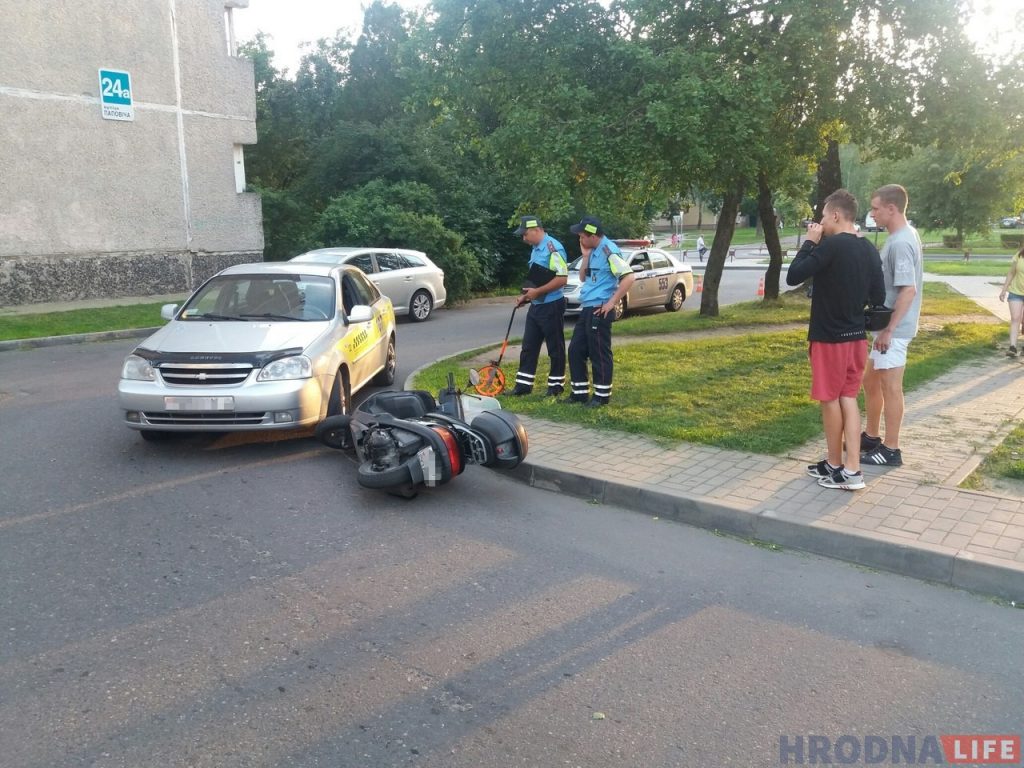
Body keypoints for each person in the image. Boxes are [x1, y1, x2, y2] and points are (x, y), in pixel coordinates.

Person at [786, 189, 884, 490]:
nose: (821, 223)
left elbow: (794, 275)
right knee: (848, 399)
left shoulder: (829, 247)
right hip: (856, 339)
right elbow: (878, 297)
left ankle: (843, 466)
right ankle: (844, 467)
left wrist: (809, 243)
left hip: (829, 339)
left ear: (836, 215)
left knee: (830, 400)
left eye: (824, 217)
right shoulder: (868, 248)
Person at [860, 184, 924, 468]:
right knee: (870, 380)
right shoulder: (901, 235)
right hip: (887, 328)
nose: (871, 214)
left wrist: (888, 330)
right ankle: (872, 437)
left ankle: (891, 449)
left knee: (890, 386)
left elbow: (907, 290)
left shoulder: (900, 242)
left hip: (893, 331)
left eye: (875, 208)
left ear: (891, 208)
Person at [565, 215, 635, 407]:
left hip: (600, 308)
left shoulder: (608, 251)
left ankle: (601, 396)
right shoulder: (593, 251)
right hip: (588, 307)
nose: (579, 239)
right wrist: (585, 257)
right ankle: (579, 394)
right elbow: (582, 278)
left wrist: (612, 302)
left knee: (599, 353)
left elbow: (629, 277)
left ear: (592, 235)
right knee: (575, 350)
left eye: (581, 235)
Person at [509, 215, 569, 396]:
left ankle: (555, 387)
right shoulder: (535, 249)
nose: (524, 238)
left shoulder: (553, 249)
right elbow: (538, 278)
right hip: (536, 304)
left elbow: (562, 279)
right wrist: (526, 297)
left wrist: (538, 292)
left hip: (552, 305)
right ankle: (523, 386)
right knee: (528, 346)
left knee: (555, 347)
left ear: (537, 230)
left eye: (526, 234)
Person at [998, 245, 1024, 356]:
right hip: (1016, 292)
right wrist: (1004, 290)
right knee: (1015, 318)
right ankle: (1012, 347)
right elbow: (1011, 273)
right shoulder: (1019, 255)